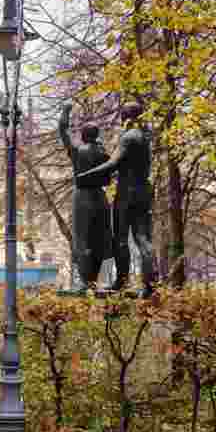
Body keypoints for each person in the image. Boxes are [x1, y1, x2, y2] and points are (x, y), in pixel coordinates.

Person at [74, 102, 157, 297]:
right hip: (144, 191)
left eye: (122, 115)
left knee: (121, 239)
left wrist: (86, 175)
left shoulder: (128, 137)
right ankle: (150, 284)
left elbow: (113, 163)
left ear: (127, 116)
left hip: (127, 193)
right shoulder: (145, 137)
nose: (121, 119)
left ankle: (121, 282)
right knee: (142, 238)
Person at [58, 106, 112, 287]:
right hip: (100, 197)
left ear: (82, 135)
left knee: (81, 239)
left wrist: (66, 111)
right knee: (100, 239)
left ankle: (85, 281)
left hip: (82, 197)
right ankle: (97, 281)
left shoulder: (77, 150)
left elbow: (63, 130)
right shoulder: (104, 153)